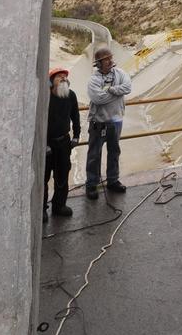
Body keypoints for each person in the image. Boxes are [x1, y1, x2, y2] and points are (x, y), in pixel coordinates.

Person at [86, 47, 132, 200]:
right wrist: (117, 94)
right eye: (106, 59)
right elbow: (97, 99)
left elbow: (127, 88)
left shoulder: (120, 73)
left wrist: (110, 89)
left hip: (116, 121)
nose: (109, 61)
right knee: (94, 155)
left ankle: (113, 180)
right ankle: (92, 184)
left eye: (110, 58)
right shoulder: (94, 79)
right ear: (98, 63)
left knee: (114, 152)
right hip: (98, 123)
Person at [45, 67, 81, 218]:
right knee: (43, 177)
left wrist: (76, 136)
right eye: (59, 77)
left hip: (64, 142)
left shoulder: (70, 95)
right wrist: (43, 144)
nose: (63, 79)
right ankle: (41, 209)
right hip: (46, 144)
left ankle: (59, 206)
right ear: (51, 81)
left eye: (65, 77)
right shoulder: (45, 97)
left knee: (62, 175)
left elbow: (75, 116)